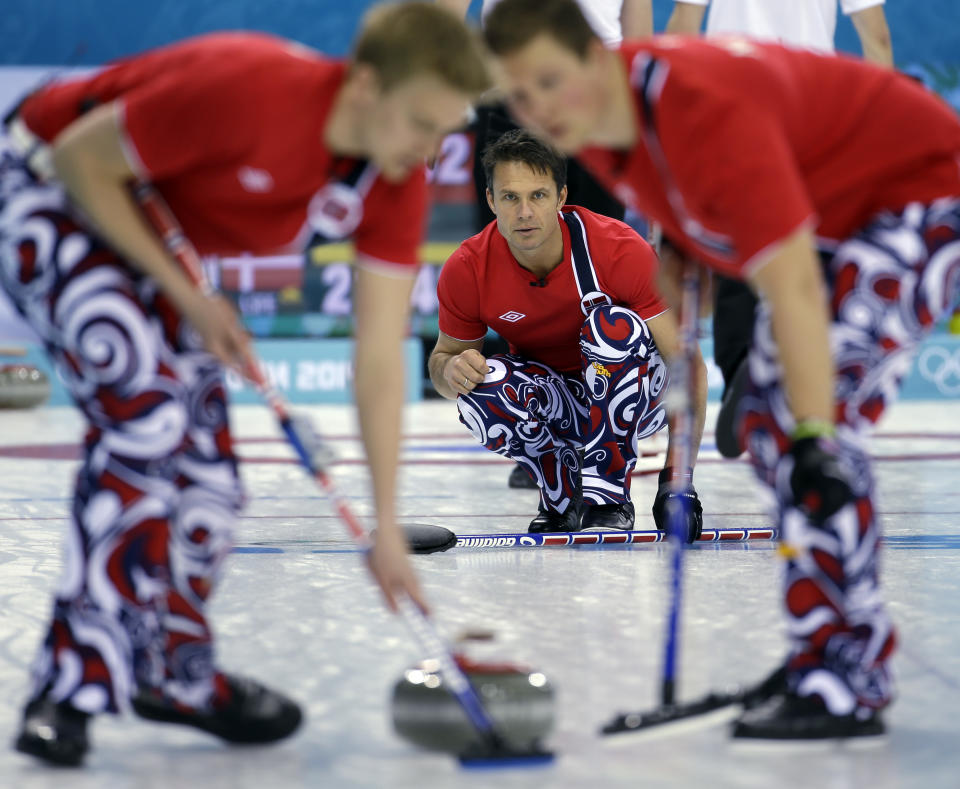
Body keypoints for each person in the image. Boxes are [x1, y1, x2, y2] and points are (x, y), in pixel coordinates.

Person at [0, 2, 489, 766]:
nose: (431, 151)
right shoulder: (251, 86)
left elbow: (379, 360)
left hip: (145, 229)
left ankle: (174, 673)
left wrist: (385, 523)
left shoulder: (393, 179)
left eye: (444, 132)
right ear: (365, 85)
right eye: (421, 123)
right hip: (45, 182)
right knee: (148, 417)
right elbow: (78, 161)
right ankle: (69, 687)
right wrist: (190, 295)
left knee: (212, 485)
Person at [482, 0, 960, 739]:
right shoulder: (603, 128)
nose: (538, 109)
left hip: (923, 195)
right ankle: (823, 650)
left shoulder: (692, 107)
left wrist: (811, 430)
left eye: (549, 81)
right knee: (772, 421)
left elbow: (794, 284)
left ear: (596, 55)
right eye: (518, 94)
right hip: (845, 206)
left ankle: (850, 670)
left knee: (806, 425)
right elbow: (687, 234)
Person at [429, 129, 706, 534]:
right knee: (482, 384)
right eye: (510, 197)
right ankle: (562, 495)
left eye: (537, 196)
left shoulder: (618, 249)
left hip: (639, 398)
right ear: (491, 201)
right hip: (557, 403)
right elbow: (441, 361)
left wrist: (677, 482)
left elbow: (689, 364)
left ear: (561, 197)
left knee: (612, 327)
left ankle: (607, 499)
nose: (524, 212)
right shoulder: (467, 268)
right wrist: (452, 370)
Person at [440, 0, 655, 489]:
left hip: (597, 94)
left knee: (604, 272)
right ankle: (542, 438)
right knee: (513, 258)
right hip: (511, 89)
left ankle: (607, 437)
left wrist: (636, 107)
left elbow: (636, 19)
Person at [666, 0, 894, 457]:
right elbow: (877, 39)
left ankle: (740, 371)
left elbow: (682, 27)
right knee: (800, 251)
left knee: (737, 249)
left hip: (727, 98)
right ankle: (802, 383)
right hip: (809, 103)